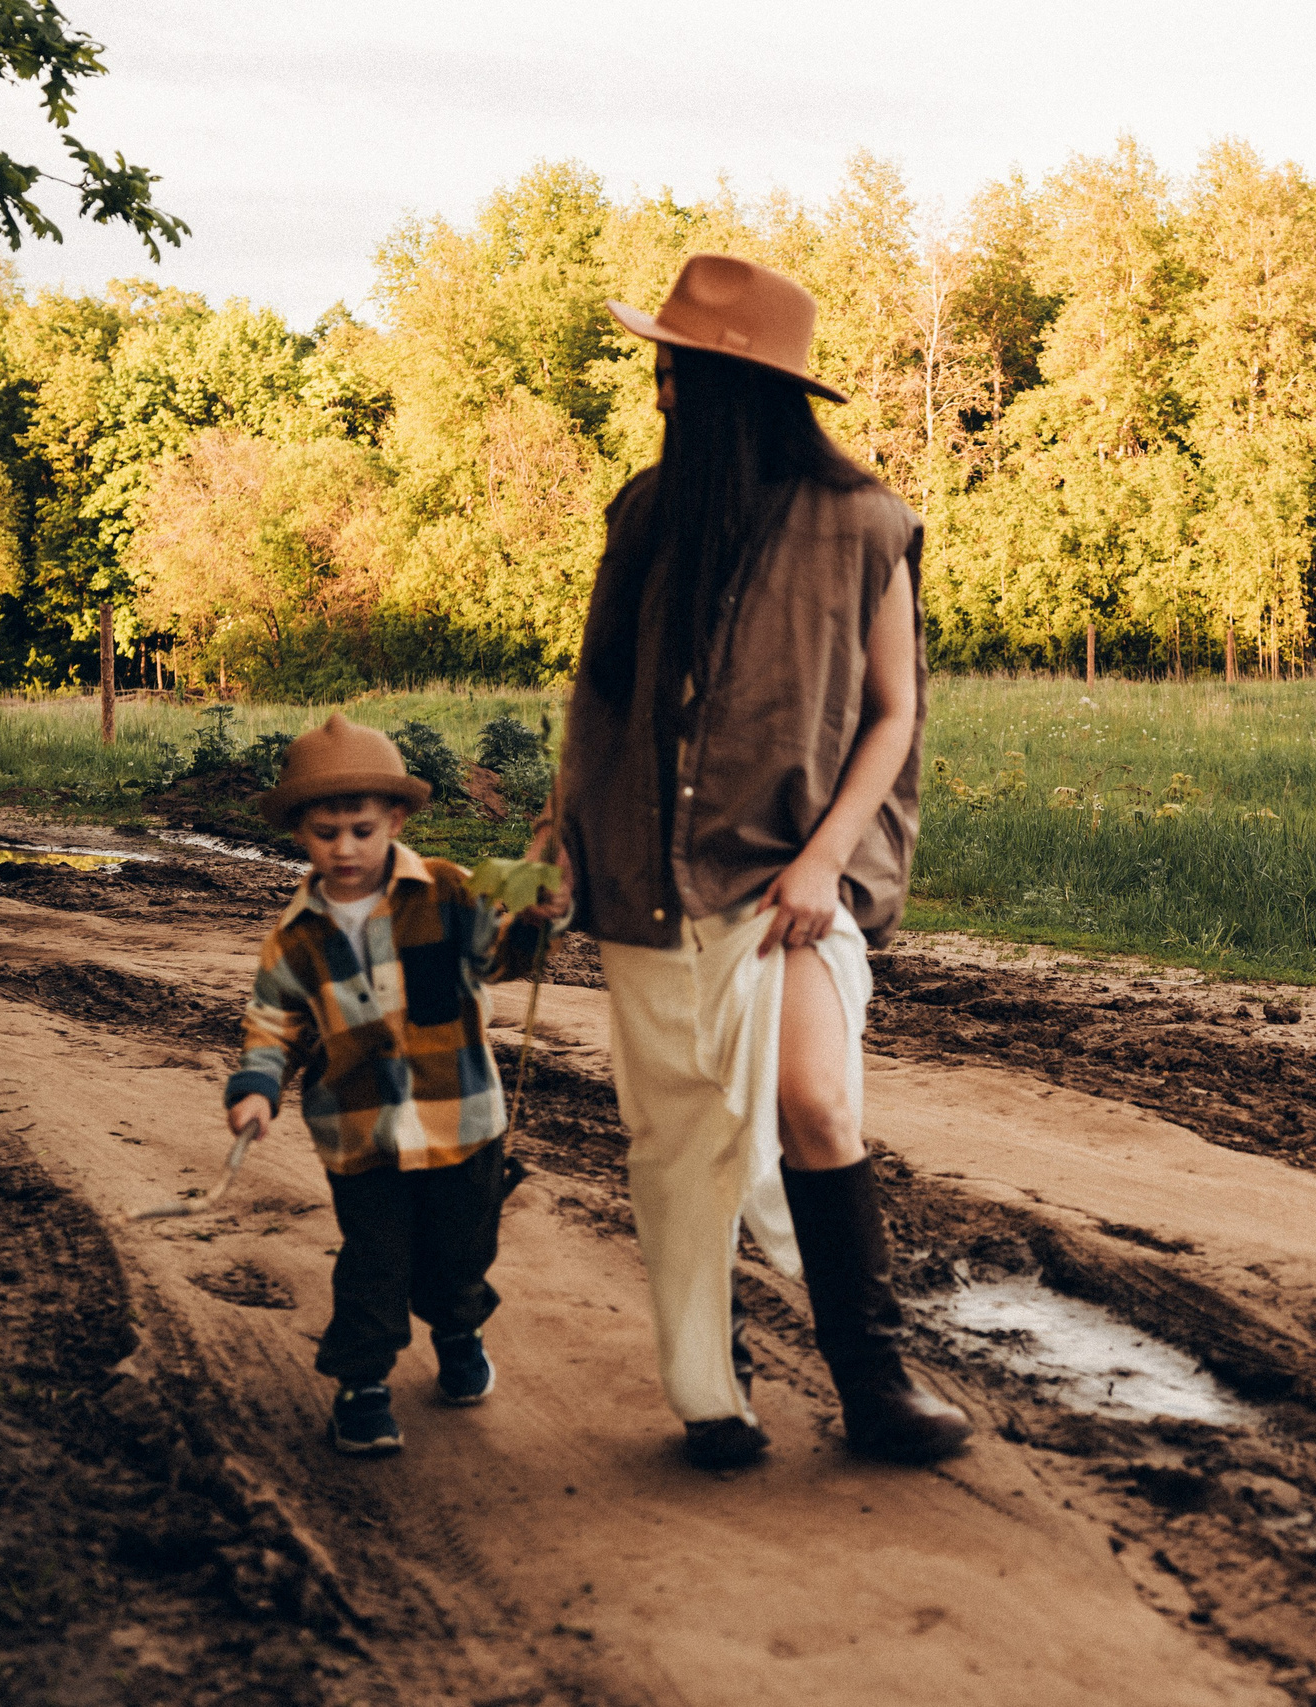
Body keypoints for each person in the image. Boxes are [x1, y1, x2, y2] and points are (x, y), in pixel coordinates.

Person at [536, 252, 972, 1472]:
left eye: (675, 367)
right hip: (645, 869)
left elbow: (893, 711)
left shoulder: (864, 522)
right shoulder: (645, 514)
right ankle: (712, 1384)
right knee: (680, 1140)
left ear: (736, 386)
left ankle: (874, 1382)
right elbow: (602, 697)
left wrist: (826, 860)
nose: (659, 387)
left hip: (788, 876)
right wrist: (557, 835)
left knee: (815, 1102)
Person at [224, 713, 558, 1455]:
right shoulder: (295, 938)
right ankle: (362, 1384)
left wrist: (536, 920)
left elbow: (502, 958)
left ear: (396, 821)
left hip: (463, 1124)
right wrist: (255, 1088)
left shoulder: (448, 891)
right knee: (375, 1264)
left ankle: (459, 1330)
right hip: (361, 1134)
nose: (344, 848)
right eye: (325, 833)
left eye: (361, 830)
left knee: (459, 1258)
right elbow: (273, 1022)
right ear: (299, 832)